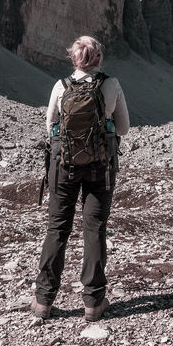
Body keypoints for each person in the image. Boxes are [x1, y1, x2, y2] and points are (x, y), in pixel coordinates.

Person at [32, 35, 130, 322]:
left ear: (73, 59)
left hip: (63, 166)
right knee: (95, 230)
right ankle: (93, 302)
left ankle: (43, 300)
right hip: (101, 167)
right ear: (99, 58)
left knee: (57, 229)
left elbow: (50, 126)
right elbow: (123, 128)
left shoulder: (60, 87)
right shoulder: (111, 85)